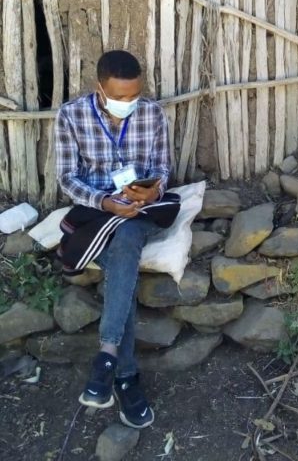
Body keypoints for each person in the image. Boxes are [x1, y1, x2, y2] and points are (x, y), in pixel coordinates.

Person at [55, 50, 175, 428]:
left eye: (134, 95)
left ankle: (107, 355)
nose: (129, 103)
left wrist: (152, 192)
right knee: (123, 254)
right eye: (120, 97)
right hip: (96, 208)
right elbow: (67, 177)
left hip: (140, 210)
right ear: (99, 89)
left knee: (126, 235)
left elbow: (162, 168)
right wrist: (104, 200)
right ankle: (124, 376)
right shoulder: (71, 116)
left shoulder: (152, 114)